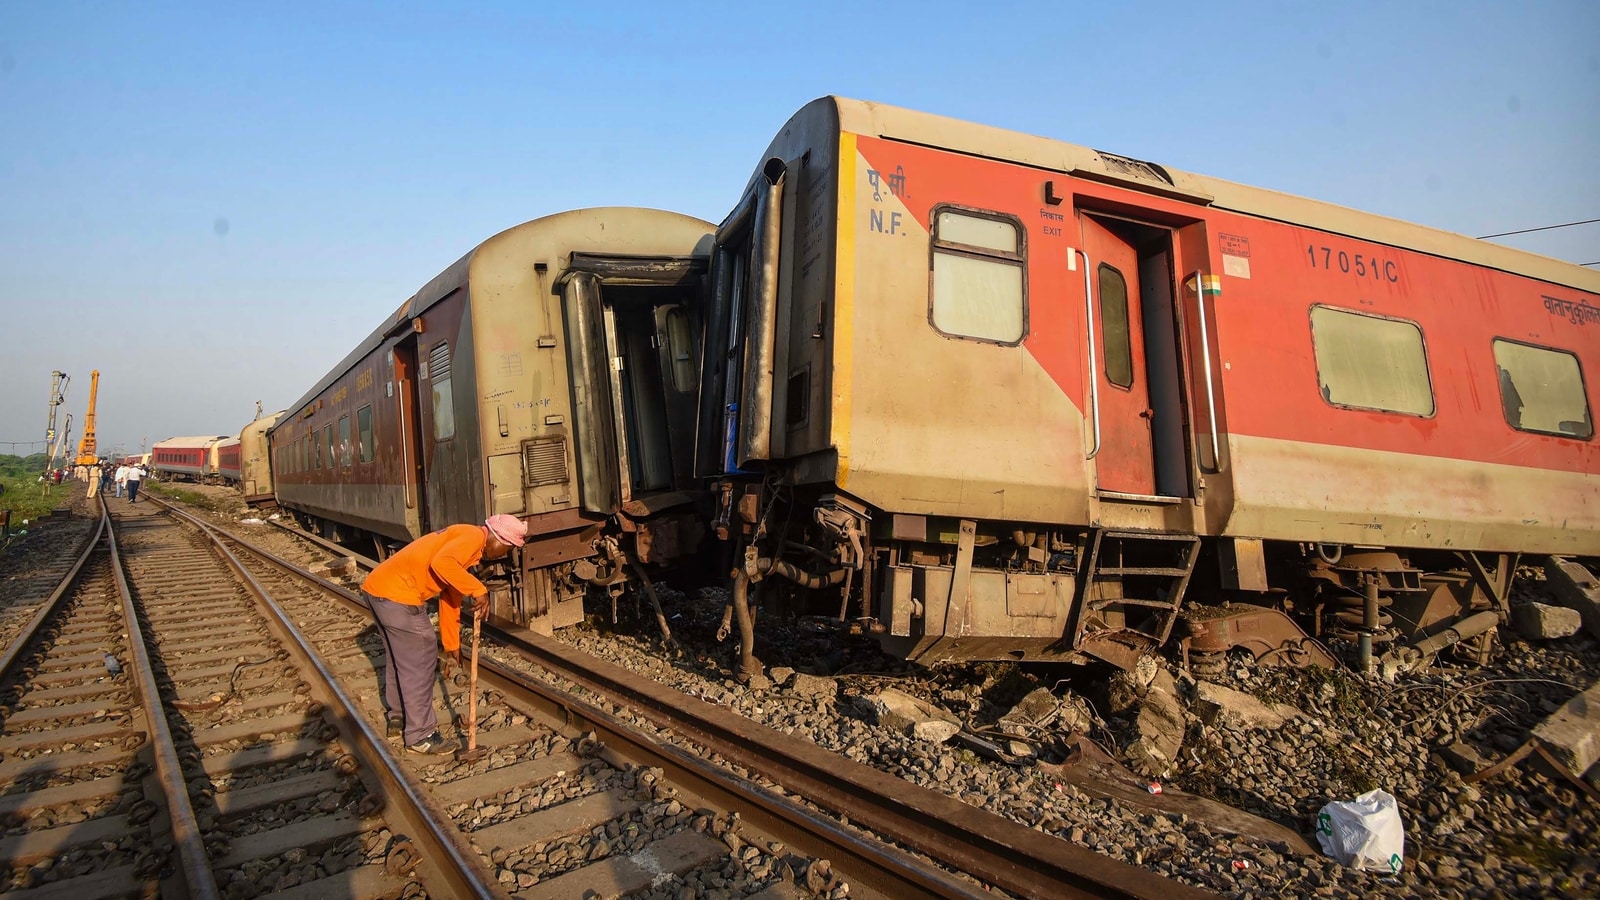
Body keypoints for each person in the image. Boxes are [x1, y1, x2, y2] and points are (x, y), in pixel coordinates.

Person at [359, 514, 527, 754]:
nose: (504, 553)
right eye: (508, 547)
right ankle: (420, 735)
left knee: (400, 659)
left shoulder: (467, 547)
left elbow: (450, 598)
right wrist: (478, 589)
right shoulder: (471, 536)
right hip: (398, 595)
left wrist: (452, 644)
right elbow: (441, 563)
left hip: (378, 590)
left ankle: (398, 717)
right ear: (497, 538)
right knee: (421, 658)